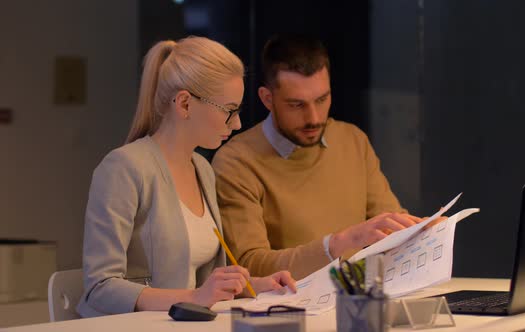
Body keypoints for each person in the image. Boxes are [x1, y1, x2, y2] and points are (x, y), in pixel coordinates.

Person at [77, 36, 296, 318]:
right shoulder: (123, 168)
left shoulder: (202, 169)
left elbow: (203, 284)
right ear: (184, 104)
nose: (238, 123)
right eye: (230, 111)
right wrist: (194, 297)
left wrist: (256, 285)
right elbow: (99, 287)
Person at [212, 34, 439, 280]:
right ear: (267, 98)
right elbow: (249, 266)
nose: (314, 118)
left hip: (355, 297)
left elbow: (388, 226)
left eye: (322, 99)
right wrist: (337, 244)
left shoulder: (352, 140)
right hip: (288, 307)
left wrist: (422, 232)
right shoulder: (237, 161)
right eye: (296, 105)